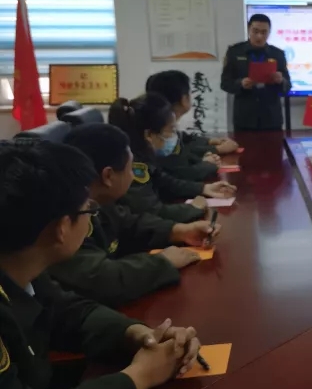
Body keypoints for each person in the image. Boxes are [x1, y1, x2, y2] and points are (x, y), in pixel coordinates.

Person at [0, 139, 202, 389]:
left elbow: (70, 312)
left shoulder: (22, 266)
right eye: (87, 210)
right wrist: (140, 376)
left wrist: (139, 335)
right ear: (61, 228)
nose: (92, 217)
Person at [47, 124, 222, 307]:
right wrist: (162, 262)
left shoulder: (97, 199)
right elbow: (101, 279)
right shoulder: (64, 219)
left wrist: (179, 231)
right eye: (129, 169)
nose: (132, 177)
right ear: (108, 176)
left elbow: (129, 224)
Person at [109, 93, 236, 224]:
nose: (174, 136)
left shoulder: (144, 154)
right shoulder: (131, 164)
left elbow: (166, 182)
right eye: (170, 130)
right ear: (149, 135)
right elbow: (152, 212)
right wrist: (192, 208)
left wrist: (203, 188)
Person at [146, 70, 240, 181]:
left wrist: (210, 142)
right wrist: (214, 154)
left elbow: (185, 140)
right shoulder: (157, 132)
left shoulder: (161, 123)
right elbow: (181, 171)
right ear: (184, 99)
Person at [220, 13, 291, 131]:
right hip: (244, 118)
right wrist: (241, 84)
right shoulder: (235, 52)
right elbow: (225, 83)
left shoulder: (277, 54)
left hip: (271, 118)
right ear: (249, 29)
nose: (259, 36)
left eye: (264, 32)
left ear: (269, 32)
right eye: (255, 31)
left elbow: (287, 86)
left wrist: (281, 81)